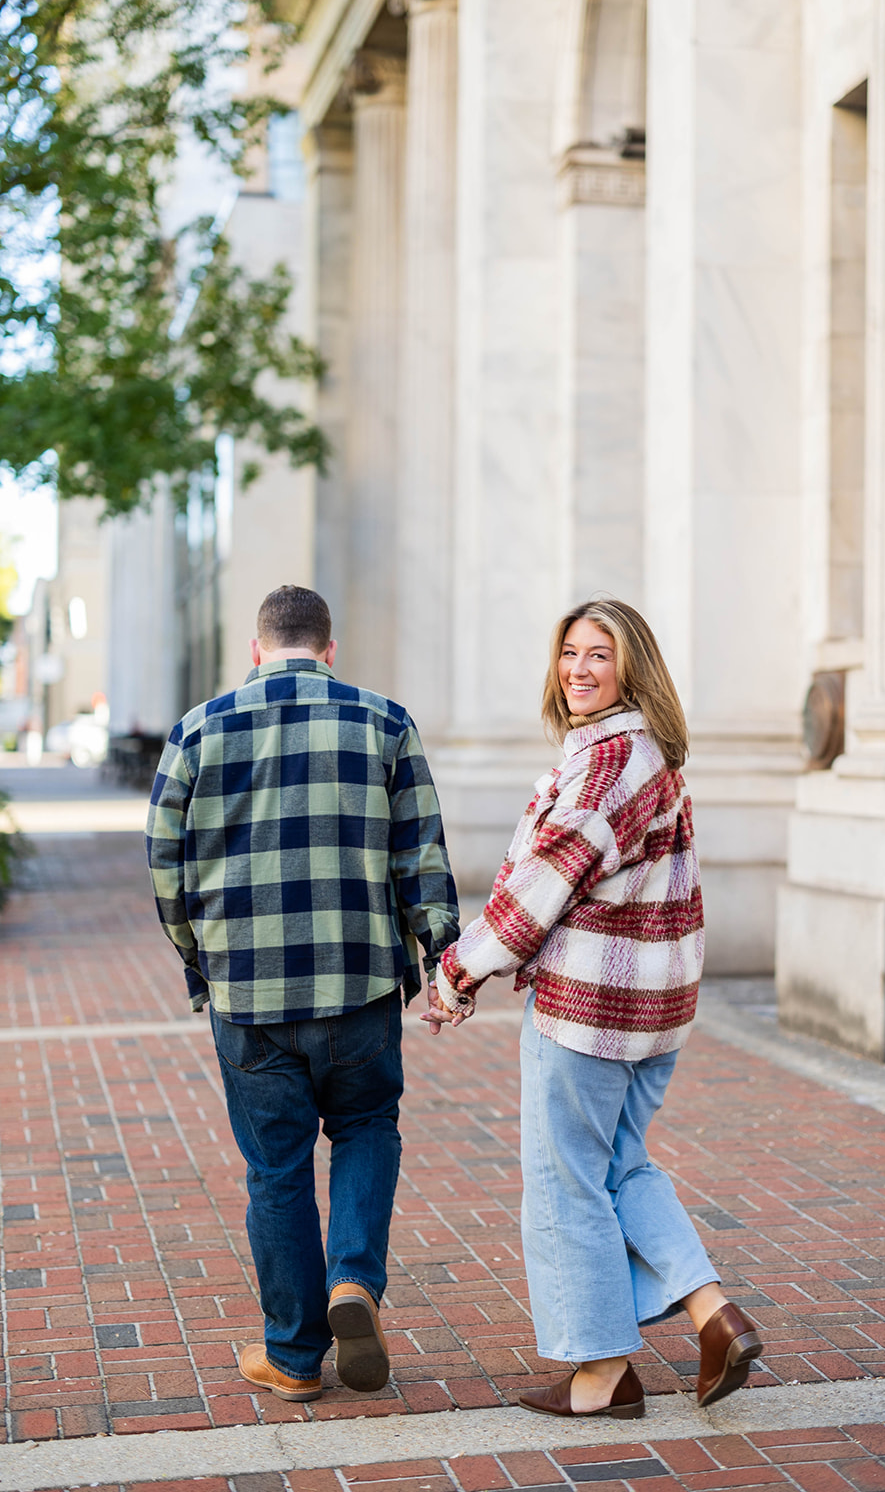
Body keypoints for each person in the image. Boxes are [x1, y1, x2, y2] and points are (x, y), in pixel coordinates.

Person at [422, 598, 763, 1419]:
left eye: (597, 655)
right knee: (619, 1167)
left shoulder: (614, 758)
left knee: (563, 1180)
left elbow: (544, 882)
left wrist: (459, 969)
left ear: (629, 667)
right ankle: (712, 1314)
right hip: (650, 1006)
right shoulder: (645, 754)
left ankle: (600, 1374)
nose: (578, 669)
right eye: (569, 652)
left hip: (592, 1010)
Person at [146, 585, 459, 1403]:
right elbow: (420, 853)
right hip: (356, 986)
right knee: (363, 1127)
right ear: (329, 649)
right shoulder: (385, 722)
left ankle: (291, 1356)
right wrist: (443, 957)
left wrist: (200, 964)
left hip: (248, 993)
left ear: (256, 651)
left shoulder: (197, 730)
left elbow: (164, 871)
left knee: (276, 1170)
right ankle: (352, 1281)